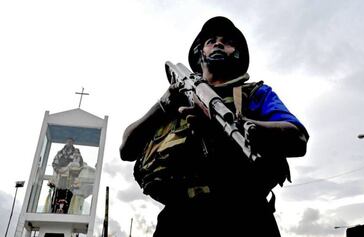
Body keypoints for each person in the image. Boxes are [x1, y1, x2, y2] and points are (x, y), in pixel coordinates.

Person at [120, 16, 309, 237]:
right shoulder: (176, 100)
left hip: (245, 215)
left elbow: (298, 140)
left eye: (227, 41)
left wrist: (236, 127)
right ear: (200, 53)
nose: (218, 44)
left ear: (236, 53)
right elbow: (127, 149)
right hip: (179, 218)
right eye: (211, 41)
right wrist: (164, 102)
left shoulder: (255, 94)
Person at [50, 138, 84, 213]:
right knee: (57, 196)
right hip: (60, 179)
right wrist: (59, 170)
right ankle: (55, 212)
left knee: (68, 197)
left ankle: (65, 212)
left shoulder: (77, 154)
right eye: (68, 141)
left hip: (71, 179)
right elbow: (54, 164)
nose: (69, 143)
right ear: (65, 142)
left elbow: (81, 166)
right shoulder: (60, 153)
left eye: (71, 141)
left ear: (73, 142)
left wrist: (73, 171)